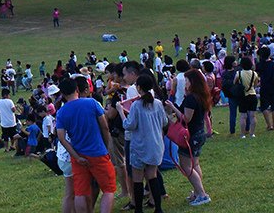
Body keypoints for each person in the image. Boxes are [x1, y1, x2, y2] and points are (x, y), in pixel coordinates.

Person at [54, 76, 116, 213]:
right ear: (77, 89)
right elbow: (105, 127)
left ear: (63, 94)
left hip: (79, 156)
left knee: (80, 192)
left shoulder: (61, 112)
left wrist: (76, 156)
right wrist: (106, 147)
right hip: (98, 152)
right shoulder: (91, 103)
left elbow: (62, 138)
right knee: (108, 189)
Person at [117, 73, 166, 213]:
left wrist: (121, 111)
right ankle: (158, 208)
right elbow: (165, 122)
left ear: (139, 88)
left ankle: (138, 209)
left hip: (140, 146)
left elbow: (129, 125)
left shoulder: (136, 106)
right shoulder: (157, 103)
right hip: (155, 145)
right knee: (152, 176)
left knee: (138, 179)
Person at [167, 69, 212, 206]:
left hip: (190, 136)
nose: (184, 83)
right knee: (195, 164)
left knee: (186, 166)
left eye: (186, 80)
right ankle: (198, 192)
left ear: (192, 82)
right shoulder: (201, 96)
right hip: (199, 133)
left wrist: (172, 107)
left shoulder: (192, 98)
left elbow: (186, 118)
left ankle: (202, 194)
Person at [235, 56, 259, 138]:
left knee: (243, 116)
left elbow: (235, 82)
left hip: (243, 96)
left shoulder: (239, 73)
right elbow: (255, 84)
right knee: (252, 115)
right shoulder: (254, 73)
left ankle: (242, 134)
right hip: (252, 95)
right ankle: (252, 133)